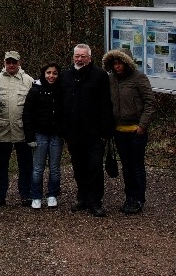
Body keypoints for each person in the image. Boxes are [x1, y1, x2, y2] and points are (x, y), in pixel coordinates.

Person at [60, 43, 114, 217]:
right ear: (73, 57)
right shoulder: (66, 76)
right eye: (77, 56)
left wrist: (106, 131)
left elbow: (106, 104)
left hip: (95, 133)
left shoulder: (100, 76)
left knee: (95, 166)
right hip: (73, 132)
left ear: (89, 58)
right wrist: (63, 129)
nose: (80, 59)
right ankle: (82, 197)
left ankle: (95, 201)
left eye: (83, 56)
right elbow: (61, 104)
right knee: (79, 166)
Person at [102, 48, 156, 215]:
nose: (117, 67)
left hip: (135, 130)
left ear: (127, 64)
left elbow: (150, 103)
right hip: (118, 130)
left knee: (136, 165)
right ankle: (129, 197)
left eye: (120, 63)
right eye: (115, 64)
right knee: (126, 166)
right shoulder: (111, 79)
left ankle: (139, 198)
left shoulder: (139, 78)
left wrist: (142, 125)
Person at [0, 50, 34, 207]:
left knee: (26, 164)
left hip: (22, 130)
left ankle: (26, 194)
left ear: (19, 63)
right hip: (2, 130)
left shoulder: (28, 80)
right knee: (0, 165)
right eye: (8, 62)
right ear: (4, 63)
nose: (11, 65)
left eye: (14, 62)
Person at [23, 62, 63, 209]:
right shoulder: (35, 91)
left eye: (54, 73)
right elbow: (27, 114)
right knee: (38, 168)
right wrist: (30, 136)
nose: (51, 76)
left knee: (55, 168)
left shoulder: (61, 90)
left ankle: (52, 194)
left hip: (56, 135)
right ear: (43, 74)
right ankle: (36, 196)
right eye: (48, 73)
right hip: (39, 134)